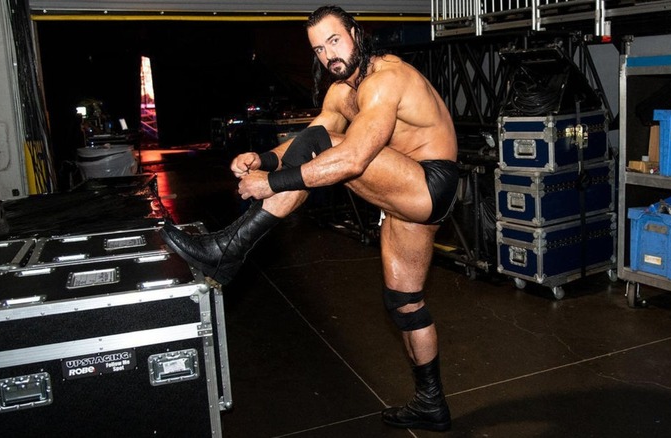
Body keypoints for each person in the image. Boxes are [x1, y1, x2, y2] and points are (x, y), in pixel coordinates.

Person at [160, 5, 458, 432]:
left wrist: (272, 182)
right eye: (318, 49)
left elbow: (352, 158)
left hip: (430, 182)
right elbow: (308, 135)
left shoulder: (385, 80)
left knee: (324, 148)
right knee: (405, 304)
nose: (328, 54)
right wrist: (263, 157)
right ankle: (432, 403)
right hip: (402, 189)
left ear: (356, 32)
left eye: (335, 40)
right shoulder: (341, 90)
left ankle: (227, 249)